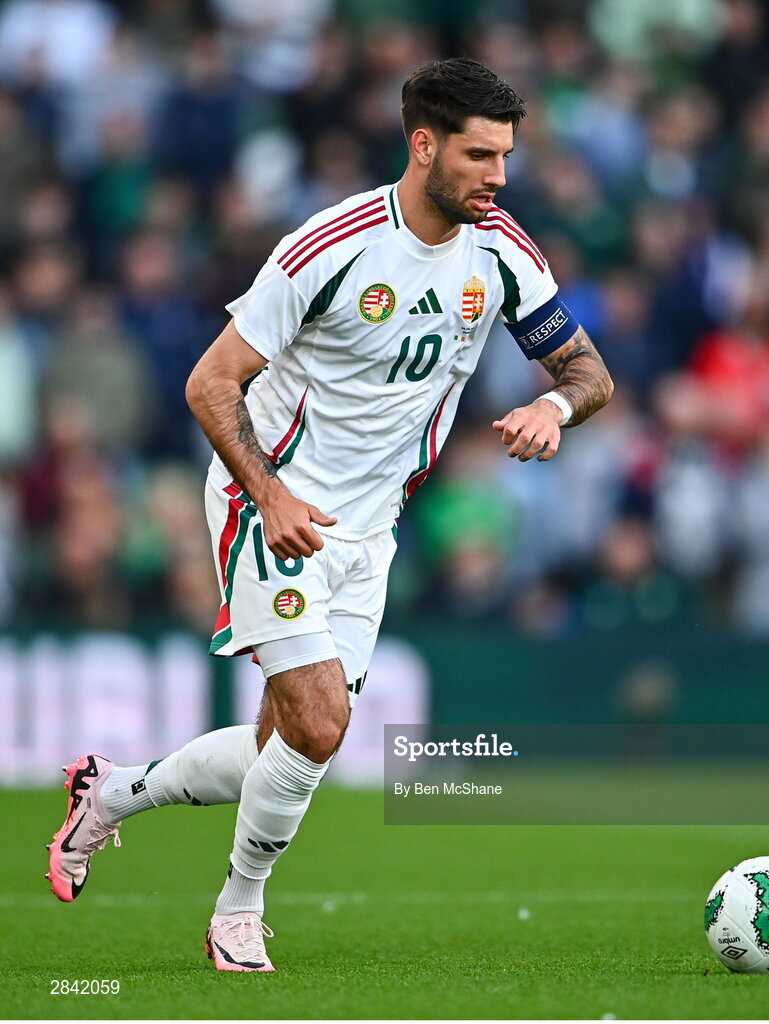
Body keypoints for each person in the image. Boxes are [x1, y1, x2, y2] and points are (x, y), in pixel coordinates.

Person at [46, 58, 613, 972]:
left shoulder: (502, 249)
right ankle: (238, 909)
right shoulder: (331, 246)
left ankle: (113, 794)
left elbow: (589, 373)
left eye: (506, 156)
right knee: (316, 726)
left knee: (288, 743)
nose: (498, 176)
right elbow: (209, 381)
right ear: (422, 145)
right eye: (478, 155)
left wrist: (552, 408)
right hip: (272, 502)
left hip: (371, 526)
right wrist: (267, 494)